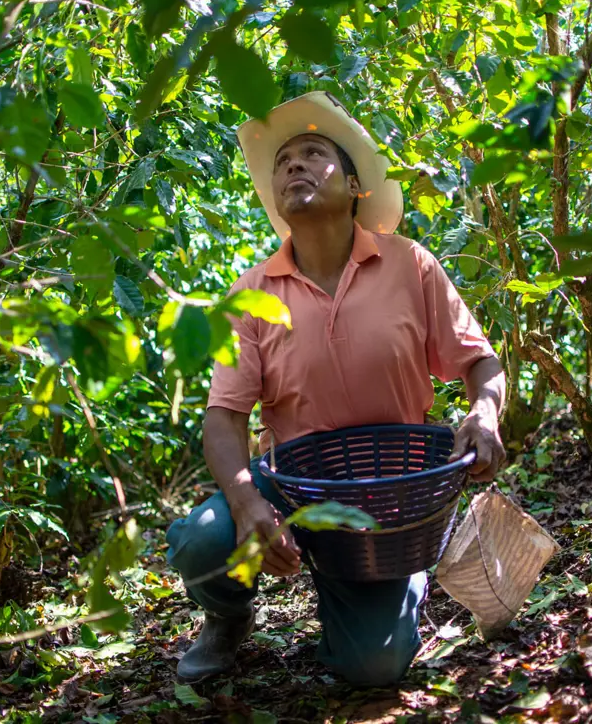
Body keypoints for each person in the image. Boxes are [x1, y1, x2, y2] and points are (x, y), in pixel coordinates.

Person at [166, 91, 506, 687]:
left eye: (314, 152)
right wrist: (249, 504)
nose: (294, 164)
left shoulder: (410, 265)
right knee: (202, 542)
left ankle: (382, 586)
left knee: (373, 669)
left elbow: (481, 361)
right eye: (283, 161)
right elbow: (224, 417)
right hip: (292, 482)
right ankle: (227, 615)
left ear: (354, 187)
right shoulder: (252, 293)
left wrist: (484, 413)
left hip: (389, 493)